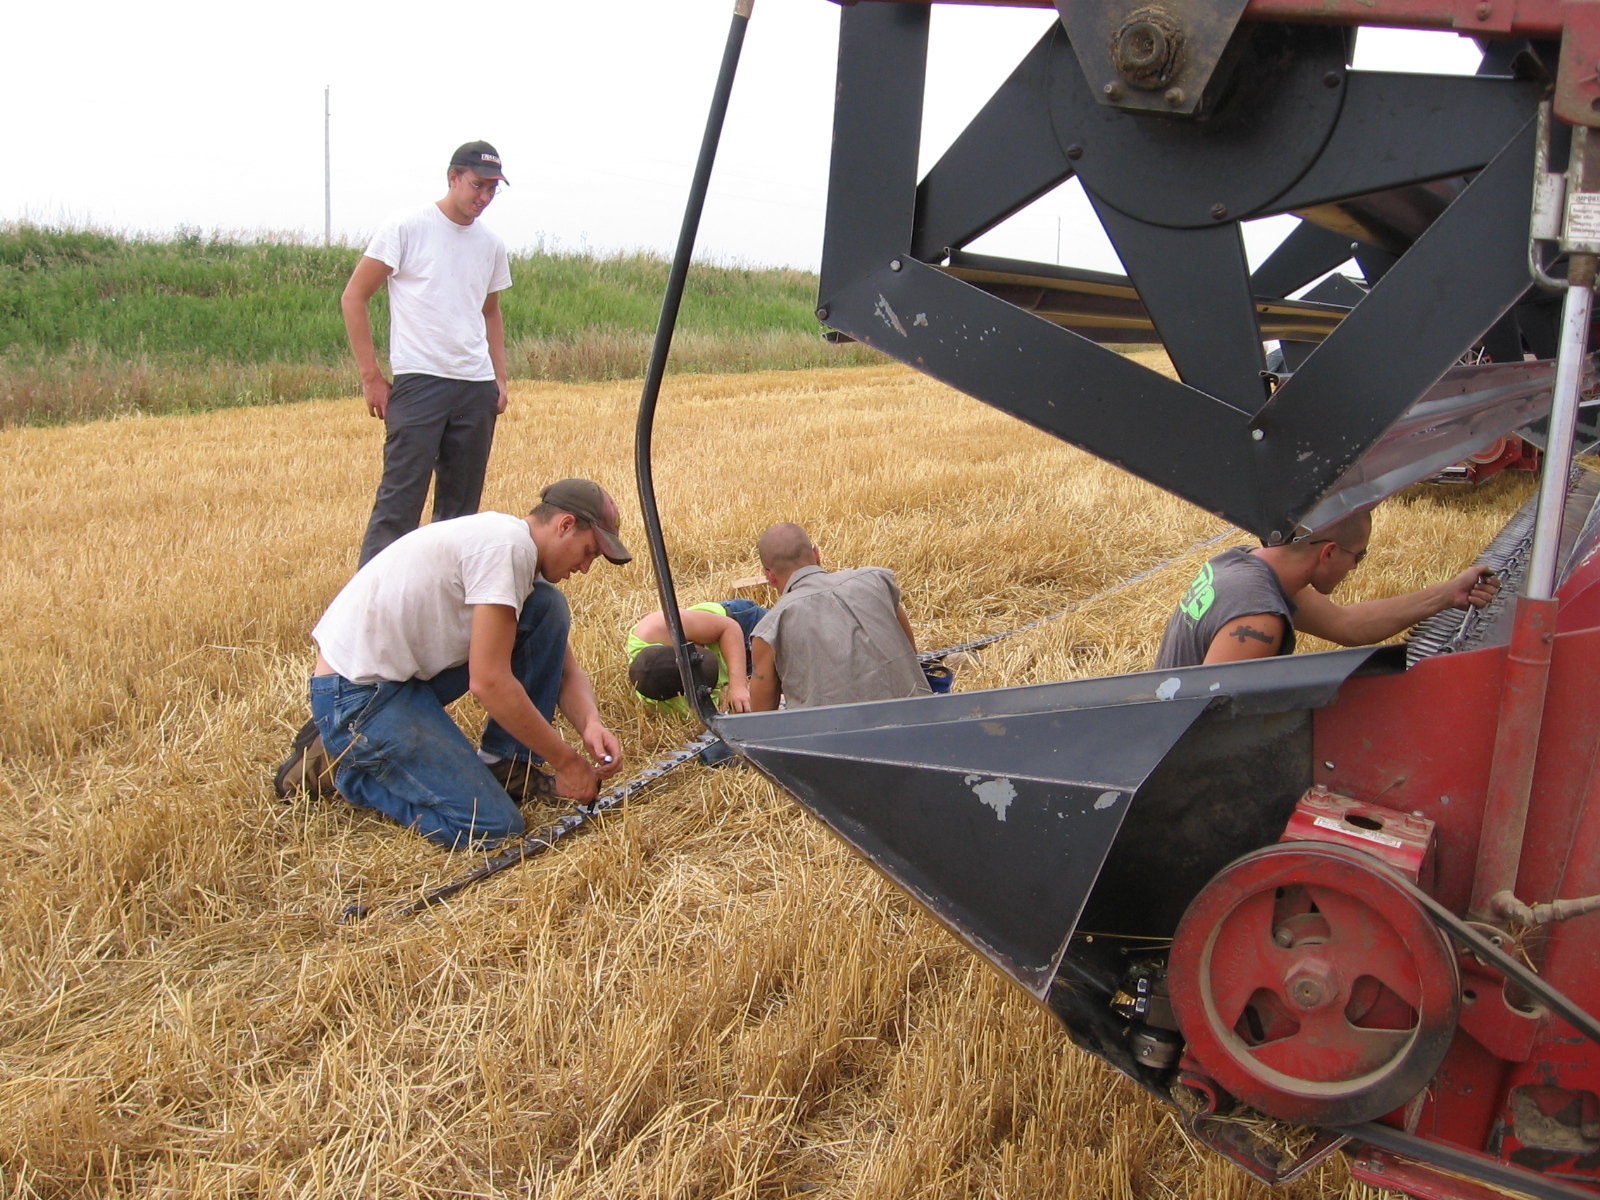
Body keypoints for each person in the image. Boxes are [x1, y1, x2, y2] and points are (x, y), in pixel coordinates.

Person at [275, 479, 630, 849]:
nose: (585, 567)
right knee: (490, 826)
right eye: (588, 552)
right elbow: (489, 682)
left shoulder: (514, 548)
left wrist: (590, 724)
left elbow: (563, 668)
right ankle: (347, 769)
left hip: (399, 679)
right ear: (565, 525)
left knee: (547, 607)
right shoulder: (507, 549)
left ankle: (505, 765)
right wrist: (567, 762)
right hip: (355, 696)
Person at [343, 140, 514, 567]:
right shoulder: (406, 227)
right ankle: (374, 599)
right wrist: (371, 377)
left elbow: (490, 312)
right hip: (420, 382)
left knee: (460, 517)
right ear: (453, 177)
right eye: (477, 185)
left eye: (493, 189)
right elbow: (354, 296)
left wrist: (499, 378)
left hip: (475, 387)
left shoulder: (491, 244)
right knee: (399, 505)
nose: (484, 197)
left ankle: (440, 598)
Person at [1153, 509, 1500, 669]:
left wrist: (1448, 594)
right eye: (1358, 556)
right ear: (1329, 552)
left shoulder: (1248, 563)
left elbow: (1348, 625)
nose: (1355, 567)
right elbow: (1207, 719)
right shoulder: (1258, 619)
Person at [748, 523, 931, 710]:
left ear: (769, 576)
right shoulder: (876, 582)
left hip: (834, 729)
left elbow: (762, 718)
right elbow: (911, 654)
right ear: (817, 554)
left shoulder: (770, 629)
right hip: (921, 718)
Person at [626, 599, 767, 715]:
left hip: (739, 629)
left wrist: (738, 685)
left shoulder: (656, 628)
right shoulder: (667, 704)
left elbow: (729, 627)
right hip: (738, 675)